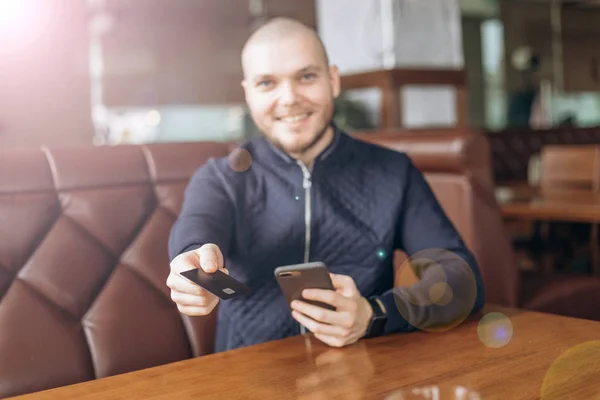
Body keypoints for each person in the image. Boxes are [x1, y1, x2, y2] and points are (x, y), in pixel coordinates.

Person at [167, 17, 485, 353]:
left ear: (332, 80)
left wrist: (376, 313)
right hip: (249, 376)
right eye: (267, 83)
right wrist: (191, 257)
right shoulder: (220, 177)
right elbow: (197, 228)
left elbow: (461, 279)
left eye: (306, 76)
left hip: (365, 372)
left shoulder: (393, 171)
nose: (288, 98)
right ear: (248, 94)